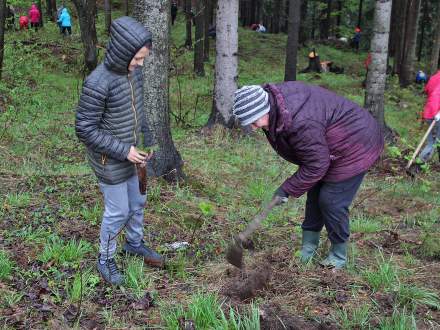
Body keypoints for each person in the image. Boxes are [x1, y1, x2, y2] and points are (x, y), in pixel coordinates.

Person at [232, 83, 384, 269]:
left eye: (254, 121)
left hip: (356, 143)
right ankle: (308, 248)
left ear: (266, 109)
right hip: (327, 145)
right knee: (314, 196)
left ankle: (338, 255)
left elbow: (316, 164)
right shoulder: (278, 108)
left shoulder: (301, 121)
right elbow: (313, 159)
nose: (254, 128)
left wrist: (286, 189)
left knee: (331, 201)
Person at [75, 16, 164, 285]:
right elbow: (84, 128)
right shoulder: (98, 82)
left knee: (137, 204)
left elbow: (140, 113)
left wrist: (145, 142)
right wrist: (123, 150)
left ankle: (134, 244)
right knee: (118, 211)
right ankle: (106, 258)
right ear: (123, 53)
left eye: (142, 59)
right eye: (137, 59)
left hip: (133, 154)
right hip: (109, 160)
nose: (140, 65)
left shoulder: (132, 74)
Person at [419, 71, 440, 163]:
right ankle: (420, 162)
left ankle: (420, 161)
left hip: (428, 111)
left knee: (432, 141)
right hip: (436, 112)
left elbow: (427, 90)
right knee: (435, 142)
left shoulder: (434, 77)